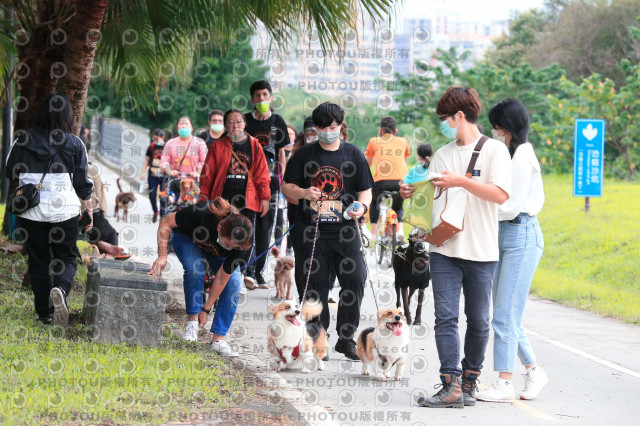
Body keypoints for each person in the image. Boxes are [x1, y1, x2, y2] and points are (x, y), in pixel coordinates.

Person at [400, 87, 511, 409]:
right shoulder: (443, 154)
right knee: (445, 317)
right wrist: (412, 192)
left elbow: (500, 195)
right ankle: (450, 384)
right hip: (444, 248)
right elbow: (433, 196)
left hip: (482, 249)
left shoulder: (494, 151)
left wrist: (461, 181)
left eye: (445, 118)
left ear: (460, 116)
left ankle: (470, 380)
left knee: (479, 320)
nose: (443, 124)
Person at [282, 101, 373, 360]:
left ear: (341, 126)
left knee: (355, 278)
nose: (328, 132)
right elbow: (286, 187)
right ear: (316, 128)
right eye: (322, 128)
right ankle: (318, 338)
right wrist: (303, 193)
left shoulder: (354, 154)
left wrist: (361, 207)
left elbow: (365, 190)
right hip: (310, 229)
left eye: (333, 127)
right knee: (314, 285)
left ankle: (346, 338)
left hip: (345, 228)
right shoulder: (304, 154)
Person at [474, 99, 548, 402]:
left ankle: (505, 383)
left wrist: (477, 202)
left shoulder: (523, 155)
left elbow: (510, 205)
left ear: (508, 127)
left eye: (497, 126)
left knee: (504, 315)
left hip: (522, 233)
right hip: (505, 233)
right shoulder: (511, 153)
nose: (495, 131)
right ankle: (533, 370)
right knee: (506, 313)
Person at [6, 93, 94, 326]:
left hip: (31, 211)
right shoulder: (75, 143)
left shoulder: (23, 139)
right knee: (67, 257)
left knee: (38, 261)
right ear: (67, 116)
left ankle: (44, 313)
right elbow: (83, 184)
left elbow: (10, 171)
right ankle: (61, 289)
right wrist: (89, 209)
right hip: (64, 212)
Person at [149, 197, 253, 356]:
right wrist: (162, 255)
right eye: (228, 243)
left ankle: (218, 340)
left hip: (216, 252)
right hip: (188, 238)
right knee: (195, 270)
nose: (231, 247)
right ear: (219, 227)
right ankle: (192, 324)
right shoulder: (201, 212)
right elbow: (165, 222)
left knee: (233, 284)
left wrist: (206, 309)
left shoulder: (243, 243)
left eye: (234, 246)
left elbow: (222, 278)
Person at [198, 109, 271, 293]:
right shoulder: (218, 146)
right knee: (220, 237)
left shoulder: (254, 145)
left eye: (239, 121)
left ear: (245, 123)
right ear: (225, 125)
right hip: (222, 202)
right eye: (230, 122)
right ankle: (217, 275)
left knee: (245, 239)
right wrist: (203, 199)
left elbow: (262, 174)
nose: (235, 125)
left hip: (248, 201)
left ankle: (237, 274)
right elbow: (207, 175)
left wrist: (265, 197)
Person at [242, 80, 291, 289]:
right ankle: (247, 270)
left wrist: (284, 181)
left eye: (264, 95)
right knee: (247, 225)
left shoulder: (278, 121)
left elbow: (281, 153)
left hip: (271, 183)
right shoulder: (244, 121)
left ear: (270, 97)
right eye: (257, 95)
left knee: (265, 227)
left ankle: (258, 272)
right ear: (252, 99)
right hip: (246, 184)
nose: (261, 99)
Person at [365, 116, 410, 239]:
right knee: (398, 206)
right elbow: (405, 163)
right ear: (395, 131)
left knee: (374, 202)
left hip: (381, 182)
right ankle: (400, 232)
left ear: (380, 130)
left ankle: (374, 234)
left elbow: (367, 164)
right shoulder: (403, 141)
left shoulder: (373, 141)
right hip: (400, 181)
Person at [84, 160, 129, 259]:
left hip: (72, 215)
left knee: (96, 234)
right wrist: (100, 213)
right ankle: (106, 254)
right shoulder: (87, 168)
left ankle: (102, 246)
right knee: (111, 236)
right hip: (89, 213)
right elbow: (97, 196)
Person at [141, 128, 167, 222]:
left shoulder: (167, 147)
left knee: (163, 197)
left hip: (164, 176)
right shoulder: (151, 147)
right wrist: (143, 173)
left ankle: (163, 216)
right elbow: (146, 159)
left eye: (157, 138)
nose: (155, 140)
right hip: (152, 175)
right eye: (154, 138)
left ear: (162, 137)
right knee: (152, 195)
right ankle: (156, 211)